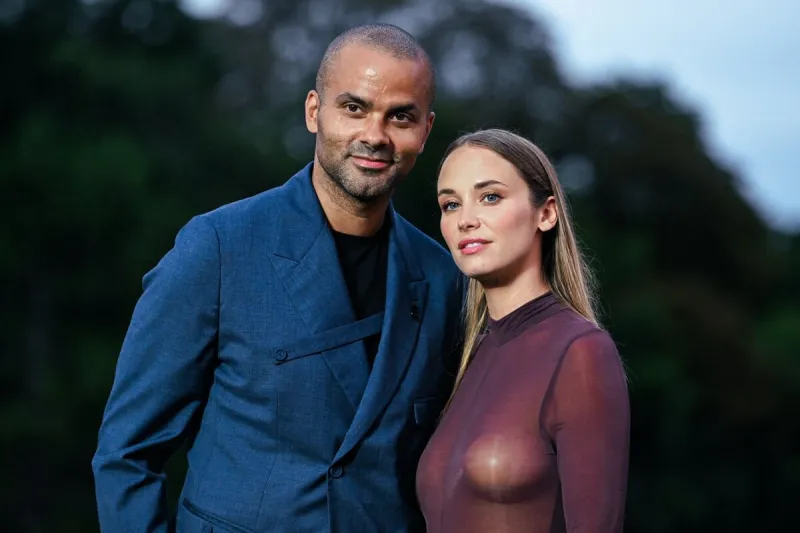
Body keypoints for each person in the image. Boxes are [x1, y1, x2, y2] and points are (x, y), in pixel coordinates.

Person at [92, 24, 463, 533]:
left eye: (400, 116)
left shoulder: (444, 278)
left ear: (425, 130)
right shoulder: (219, 247)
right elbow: (126, 453)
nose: (375, 135)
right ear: (314, 111)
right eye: (353, 108)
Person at [417, 129, 630, 532]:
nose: (466, 220)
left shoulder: (580, 352)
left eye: (490, 197)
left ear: (546, 213)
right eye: (450, 204)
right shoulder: (468, 357)